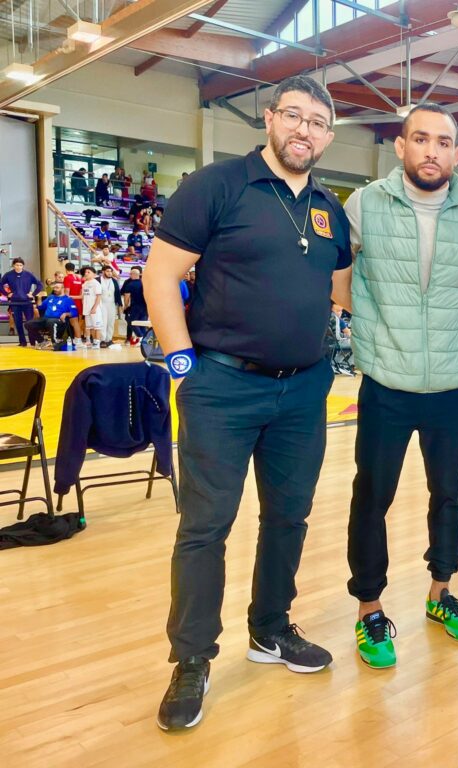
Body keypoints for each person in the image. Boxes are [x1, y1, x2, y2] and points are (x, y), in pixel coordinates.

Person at [143, 75, 351, 732]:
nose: (303, 130)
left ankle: (270, 629)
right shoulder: (218, 185)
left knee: (289, 517)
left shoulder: (329, 207)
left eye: (317, 122)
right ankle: (192, 658)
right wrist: (184, 368)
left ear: (328, 136)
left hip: (304, 388)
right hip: (222, 386)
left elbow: (342, 288)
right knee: (205, 526)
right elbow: (160, 274)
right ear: (270, 118)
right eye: (294, 115)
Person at [343, 103, 458, 669]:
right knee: (372, 496)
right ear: (401, 147)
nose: (432, 151)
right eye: (421, 139)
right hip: (387, 381)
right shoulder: (365, 204)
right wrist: (373, 324)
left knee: (448, 493)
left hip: (452, 385)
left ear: (457, 153)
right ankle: (369, 608)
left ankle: (440, 592)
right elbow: (338, 273)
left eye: (443, 142)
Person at [1, 258, 43, 346]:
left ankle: (32, 342)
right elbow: (0, 285)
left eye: (20, 265)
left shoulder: (29, 274)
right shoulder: (8, 275)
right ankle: (22, 342)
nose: (19, 267)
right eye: (17, 265)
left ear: (23, 266)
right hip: (15, 303)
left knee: (30, 322)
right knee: (18, 323)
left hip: (27, 302)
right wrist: (7, 294)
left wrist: (33, 294)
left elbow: (40, 285)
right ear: (13, 265)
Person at [26, 282, 77, 348]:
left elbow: (74, 312)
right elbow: (40, 307)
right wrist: (39, 298)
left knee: (51, 321)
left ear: (62, 289)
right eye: (54, 287)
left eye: (57, 288)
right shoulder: (50, 297)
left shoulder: (68, 299)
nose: (55, 289)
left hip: (58, 320)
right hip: (46, 319)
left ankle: (55, 342)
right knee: (28, 324)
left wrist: (66, 314)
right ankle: (42, 341)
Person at [120, 266, 147, 346]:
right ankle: (145, 340)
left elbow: (127, 297)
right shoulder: (145, 283)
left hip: (135, 307)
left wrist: (125, 306)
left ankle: (140, 336)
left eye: (130, 274)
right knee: (142, 323)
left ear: (132, 274)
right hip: (145, 307)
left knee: (131, 322)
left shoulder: (130, 284)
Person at [98, 264, 122, 347]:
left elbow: (117, 293)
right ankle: (102, 340)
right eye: (107, 271)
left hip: (112, 304)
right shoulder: (98, 280)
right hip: (101, 304)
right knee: (103, 322)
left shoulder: (114, 281)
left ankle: (109, 339)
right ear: (103, 272)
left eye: (111, 271)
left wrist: (120, 304)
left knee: (111, 322)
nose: (110, 273)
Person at [79, 265, 103, 348]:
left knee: (97, 327)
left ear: (94, 274)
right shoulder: (85, 284)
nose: (86, 273)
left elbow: (98, 297)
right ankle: (89, 341)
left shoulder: (96, 283)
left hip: (95, 309)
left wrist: (94, 308)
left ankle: (97, 342)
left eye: (88, 272)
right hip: (87, 308)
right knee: (89, 326)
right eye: (85, 272)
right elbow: (82, 296)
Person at [63, 261, 84, 344]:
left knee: (74, 322)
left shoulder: (67, 278)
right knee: (76, 322)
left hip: (71, 303)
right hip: (79, 302)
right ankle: (77, 339)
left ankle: (78, 339)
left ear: (66, 269)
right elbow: (81, 293)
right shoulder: (79, 278)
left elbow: (66, 293)